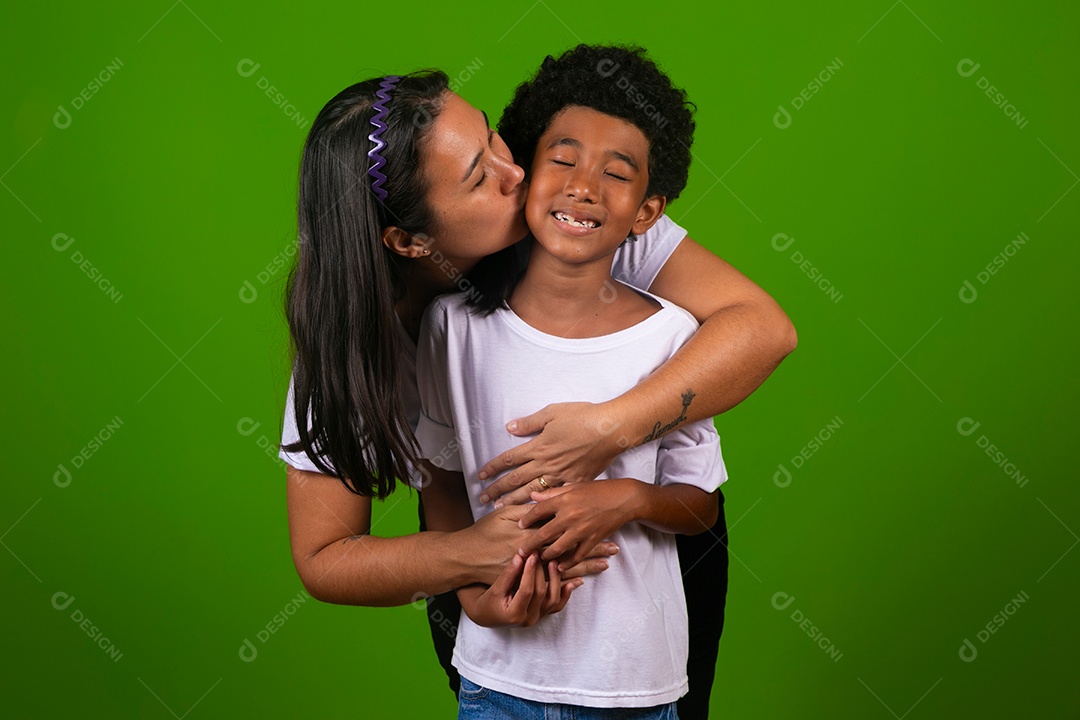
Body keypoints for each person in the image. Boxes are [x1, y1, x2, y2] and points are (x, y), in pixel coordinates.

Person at [281, 60, 795, 713]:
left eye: (493, 138)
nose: (516, 172)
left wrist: (612, 427)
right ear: (409, 240)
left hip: (645, 574)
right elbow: (326, 556)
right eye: (479, 177)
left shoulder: (575, 218)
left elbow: (763, 330)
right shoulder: (346, 355)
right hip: (484, 568)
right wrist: (471, 565)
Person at [414, 44, 725, 719]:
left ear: (647, 212)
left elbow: (700, 503)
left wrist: (626, 498)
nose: (584, 187)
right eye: (562, 161)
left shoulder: (673, 337)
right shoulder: (452, 327)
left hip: (637, 685)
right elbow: (437, 475)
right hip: (497, 677)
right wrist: (472, 592)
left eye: (616, 175)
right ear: (525, 176)